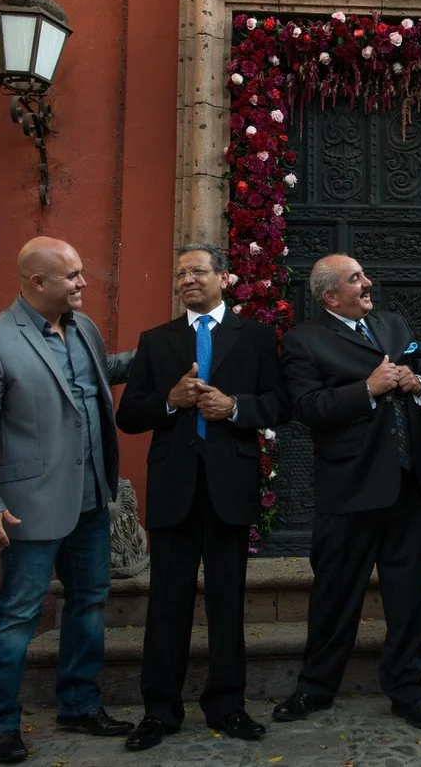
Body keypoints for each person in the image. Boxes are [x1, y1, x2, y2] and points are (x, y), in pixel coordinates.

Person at [0, 237, 135, 764]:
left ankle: (78, 703)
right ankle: (1, 725)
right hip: (28, 505)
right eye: (73, 275)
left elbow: (106, 372)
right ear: (38, 282)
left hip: (93, 497)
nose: (82, 283)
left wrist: (171, 346)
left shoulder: (85, 329)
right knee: (17, 614)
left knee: (89, 603)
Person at [116, 243, 290, 751]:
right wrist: (170, 402)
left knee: (226, 602)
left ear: (224, 277)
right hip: (174, 489)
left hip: (229, 488)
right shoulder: (157, 340)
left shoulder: (255, 337)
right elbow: (130, 416)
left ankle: (227, 706)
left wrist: (234, 408)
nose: (187, 280)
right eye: (180, 274)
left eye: (197, 271)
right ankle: (160, 711)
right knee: (166, 604)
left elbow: (280, 404)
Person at [272, 254, 421, 731]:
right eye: (356, 279)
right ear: (330, 296)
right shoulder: (304, 340)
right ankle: (315, 687)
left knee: (408, 596)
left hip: (406, 486)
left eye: (364, 274)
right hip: (349, 487)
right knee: (335, 594)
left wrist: (419, 383)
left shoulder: (392, 323)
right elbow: (306, 407)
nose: (368, 282)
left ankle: (409, 691)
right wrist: (366, 389)